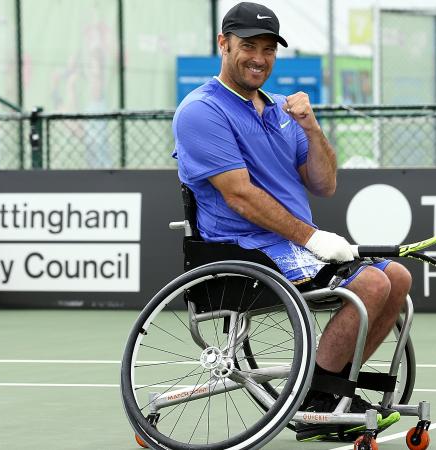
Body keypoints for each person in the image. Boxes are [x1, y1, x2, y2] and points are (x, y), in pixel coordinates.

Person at [172, 2, 411, 442]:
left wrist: (312, 128)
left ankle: (324, 394)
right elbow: (239, 195)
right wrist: (314, 237)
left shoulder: (283, 109)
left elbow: (324, 185)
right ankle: (317, 397)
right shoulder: (201, 110)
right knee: (372, 284)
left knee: (396, 276)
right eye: (248, 46)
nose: (258, 58)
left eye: (267, 49)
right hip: (241, 250)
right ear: (223, 44)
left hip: (290, 246)